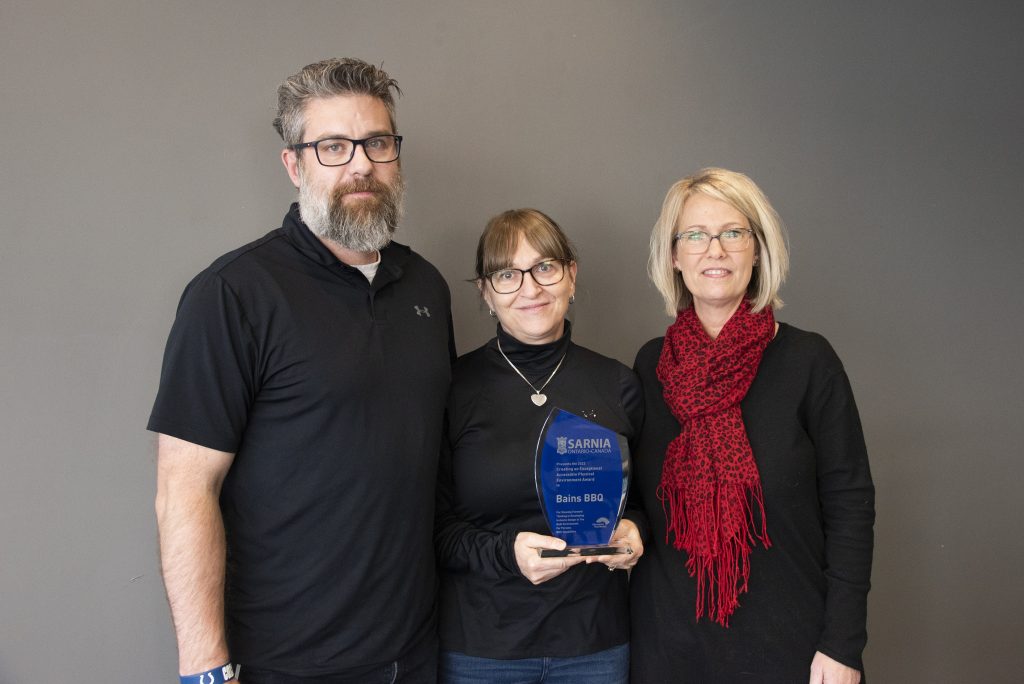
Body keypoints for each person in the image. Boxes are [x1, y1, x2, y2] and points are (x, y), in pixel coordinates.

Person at [149, 58, 454, 683]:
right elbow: (185, 492)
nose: (361, 164)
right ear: (295, 165)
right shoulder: (232, 295)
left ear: (396, 155)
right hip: (286, 662)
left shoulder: (427, 286)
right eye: (333, 146)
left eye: (377, 143)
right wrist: (205, 669)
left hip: (419, 652)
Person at [629, 168, 875, 684]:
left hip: (792, 646)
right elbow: (641, 502)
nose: (713, 250)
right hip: (672, 647)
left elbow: (850, 506)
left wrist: (843, 645)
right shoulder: (651, 367)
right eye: (694, 235)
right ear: (673, 256)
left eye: (733, 233)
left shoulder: (809, 360)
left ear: (758, 250)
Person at [434, 209, 645, 684]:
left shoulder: (618, 384)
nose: (530, 288)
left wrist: (634, 531)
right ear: (486, 292)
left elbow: (647, 503)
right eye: (508, 274)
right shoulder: (454, 389)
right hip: (483, 650)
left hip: (596, 644)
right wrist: (507, 553)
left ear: (571, 275)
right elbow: (434, 528)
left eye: (545, 267)